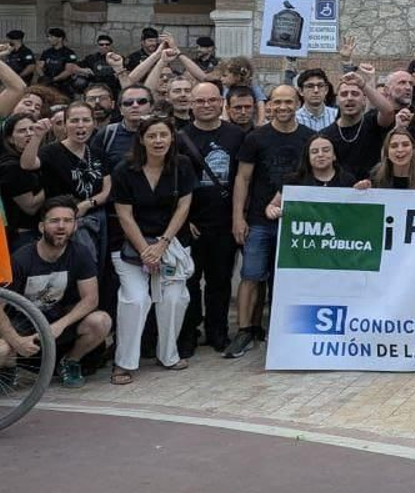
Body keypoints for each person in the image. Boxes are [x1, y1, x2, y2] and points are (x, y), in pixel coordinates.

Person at [224, 85, 314, 359]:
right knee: (251, 274)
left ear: (298, 103)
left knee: (287, 278)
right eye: (278, 102)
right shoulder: (256, 138)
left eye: (289, 101)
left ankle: (282, 328)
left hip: (296, 222)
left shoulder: (310, 138)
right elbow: (243, 178)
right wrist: (237, 217)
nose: (283, 107)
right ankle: (244, 330)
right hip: (259, 222)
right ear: (270, 105)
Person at [108, 115, 194, 382]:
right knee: (136, 299)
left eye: (163, 135)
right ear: (142, 140)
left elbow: (183, 206)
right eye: (152, 136)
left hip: (170, 244)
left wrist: (163, 244)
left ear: (172, 138)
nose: (158, 141)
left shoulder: (182, 165)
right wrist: (146, 249)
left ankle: (168, 354)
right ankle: (123, 363)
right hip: (132, 246)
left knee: (175, 298)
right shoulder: (124, 169)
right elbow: (124, 215)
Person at [3, 198, 112, 389]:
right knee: (2, 350)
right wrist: (16, 341)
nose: (61, 226)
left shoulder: (80, 253)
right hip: (23, 326)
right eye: (54, 221)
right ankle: (10, 367)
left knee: (101, 321)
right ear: (41, 226)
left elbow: (90, 299)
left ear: (75, 225)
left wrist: (60, 325)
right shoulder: (20, 259)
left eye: (68, 220)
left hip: (58, 322)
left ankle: (70, 362)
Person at [176, 81, 244, 355]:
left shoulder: (236, 135)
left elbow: (242, 178)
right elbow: (175, 181)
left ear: (221, 103)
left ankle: (218, 331)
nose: (206, 106)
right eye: (200, 101)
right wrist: (184, 218)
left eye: (211, 100)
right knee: (190, 281)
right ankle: (189, 333)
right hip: (191, 222)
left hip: (225, 220)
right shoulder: (179, 137)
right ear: (191, 105)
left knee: (220, 280)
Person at [327, 70, 396, 179]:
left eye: (355, 94)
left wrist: (363, 85)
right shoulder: (326, 134)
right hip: (341, 191)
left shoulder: (373, 122)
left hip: (373, 188)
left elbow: (388, 112)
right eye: (344, 94)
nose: (349, 98)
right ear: (337, 101)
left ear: (364, 100)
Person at [90, 84, 156, 170]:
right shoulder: (107, 133)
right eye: (128, 103)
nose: (135, 105)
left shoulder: (164, 133)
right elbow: (94, 166)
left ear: (151, 107)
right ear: (120, 109)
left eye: (141, 101)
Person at [2, 115, 46, 239]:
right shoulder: (10, 166)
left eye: (32, 129)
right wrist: (53, 182)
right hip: (25, 234)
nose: (30, 134)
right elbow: (30, 207)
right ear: (10, 139)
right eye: (22, 131)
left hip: (45, 230)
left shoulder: (40, 157)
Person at [365, 127, 415, 191]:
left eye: (405, 145)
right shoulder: (376, 173)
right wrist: (361, 190)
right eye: (394, 146)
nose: (400, 150)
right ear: (387, 152)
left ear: (413, 149)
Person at [276, 135, 357, 191]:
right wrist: (272, 209)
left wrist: (361, 190)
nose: (320, 155)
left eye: (326, 150)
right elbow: (273, 205)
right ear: (308, 157)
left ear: (334, 155)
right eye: (314, 152)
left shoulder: (348, 180)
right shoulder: (293, 181)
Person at [37, 28, 78, 96]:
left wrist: (54, 79)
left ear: (60, 38)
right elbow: (39, 66)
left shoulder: (69, 53)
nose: (49, 39)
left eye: (51, 37)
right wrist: (43, 77)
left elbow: (69, 71)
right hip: (47, 85)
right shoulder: (47, 52)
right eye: (48, 37)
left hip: (63, 86)